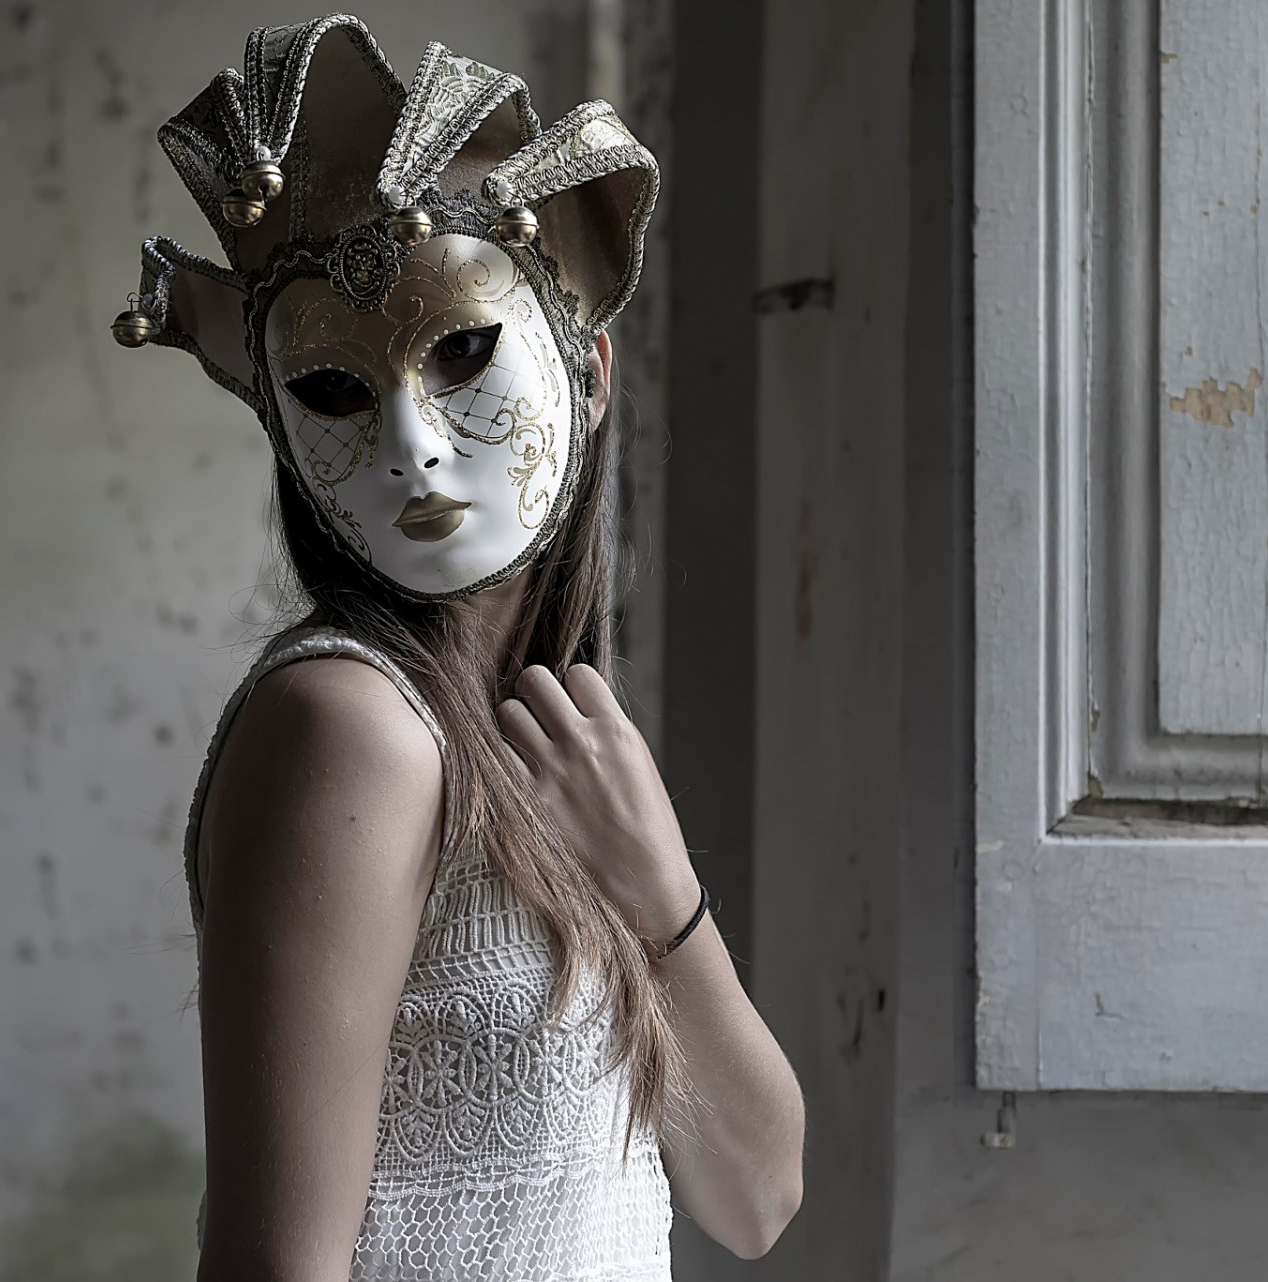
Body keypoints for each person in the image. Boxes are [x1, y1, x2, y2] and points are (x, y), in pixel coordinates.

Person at [109, 15, 805, 1280]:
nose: (413, 446)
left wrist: (661, 892)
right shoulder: (350, 727)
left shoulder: (560, 747)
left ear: (590, 371)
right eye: (333, 388)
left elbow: (757, 1197)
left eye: (464, 350)